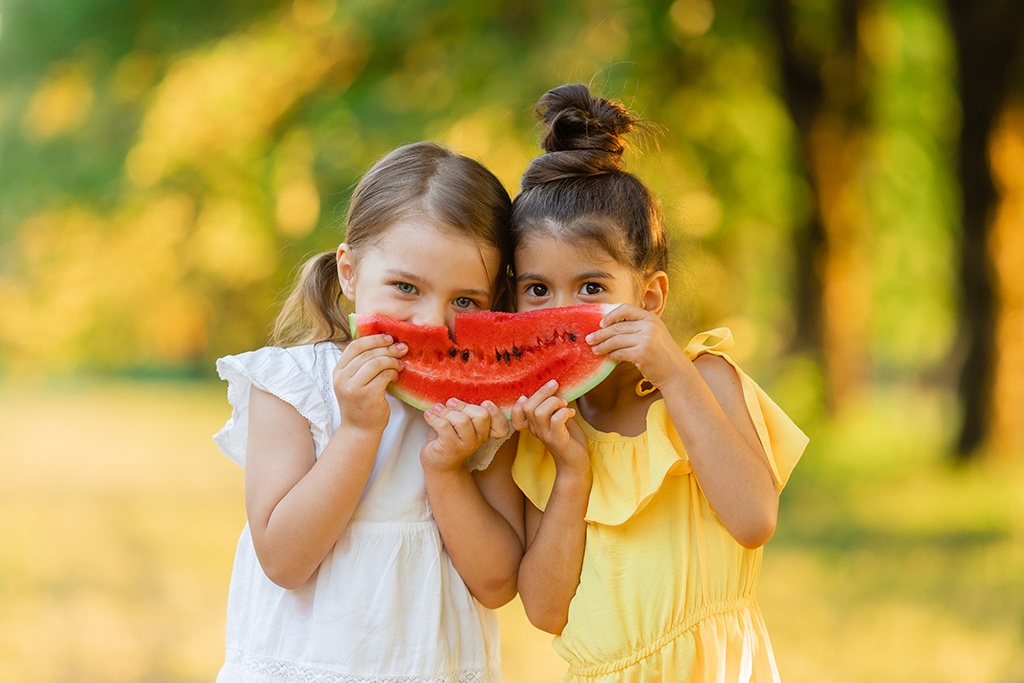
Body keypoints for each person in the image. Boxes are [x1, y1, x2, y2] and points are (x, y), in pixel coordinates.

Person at [505, 84, 809, 682]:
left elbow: (754, 520)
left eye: (592, 288)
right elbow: (545, 610)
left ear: (649, 298)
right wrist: (571, 472)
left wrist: (672, 371)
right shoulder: (545, 430)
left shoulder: (705, 380)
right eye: (538, 290)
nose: (563, 313)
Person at [212, 142, 524, 683]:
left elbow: (497, 584)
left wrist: (447, 469)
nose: (431, 321)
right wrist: (358, 430)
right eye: (406, 287)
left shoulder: (485, 407)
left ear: (495, 303)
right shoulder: (292, 386)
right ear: (350, 273)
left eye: (466, 301)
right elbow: (284, 560)